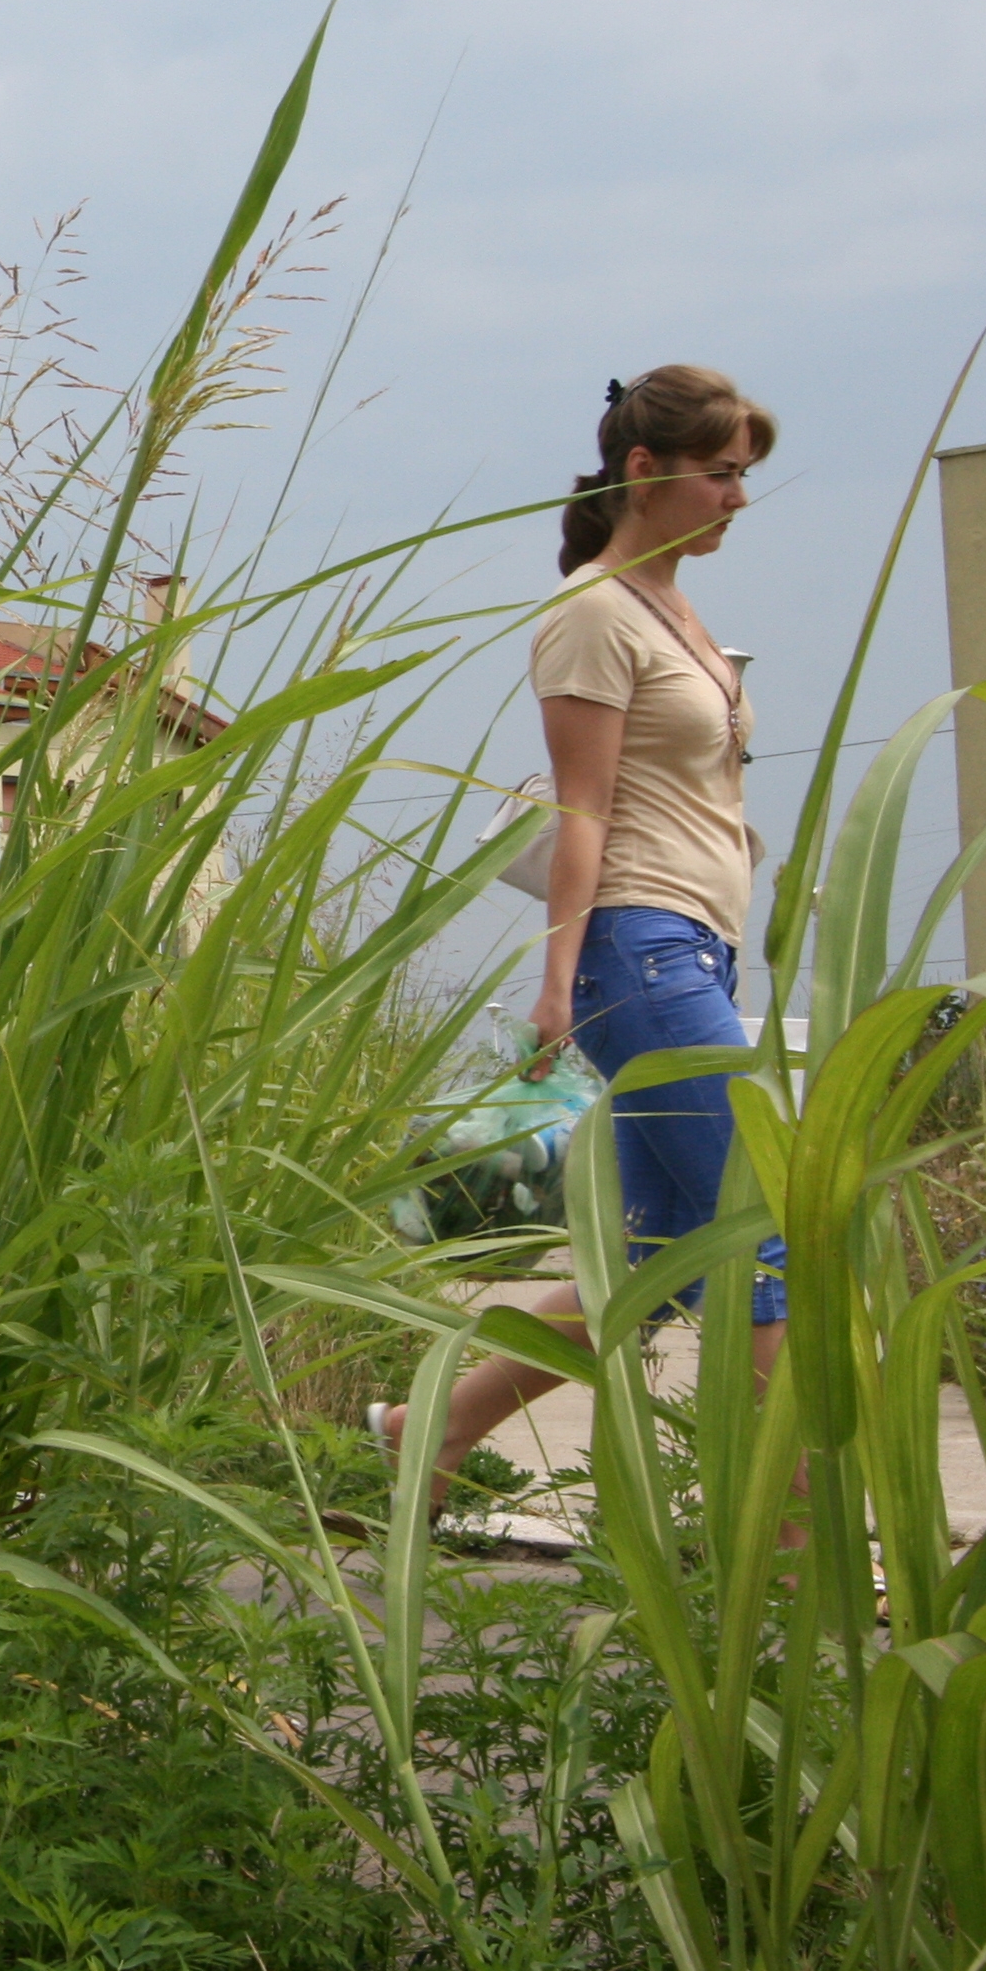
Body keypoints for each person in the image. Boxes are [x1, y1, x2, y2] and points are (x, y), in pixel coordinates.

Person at [374, 365, 789, 1504]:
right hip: (637, 952)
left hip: (692, 945)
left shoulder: (676, 609)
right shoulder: (593, 616)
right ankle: (790, 1539)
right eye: (720, 476)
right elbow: (582, 808)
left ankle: (431, 1431)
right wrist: (560, 984)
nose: (738, 501)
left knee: (648, 1258)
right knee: (755, 1232)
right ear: (645, 473)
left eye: (745, 476)